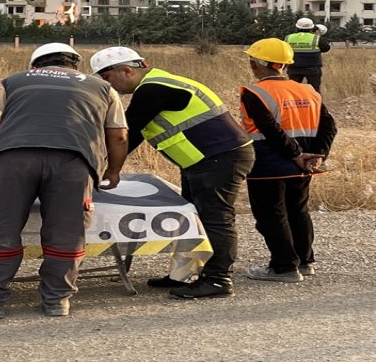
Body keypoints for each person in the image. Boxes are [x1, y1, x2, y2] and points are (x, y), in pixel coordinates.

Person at [0, 43, 129, 320]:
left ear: (35, 66)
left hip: (13, 158)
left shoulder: (13, 81)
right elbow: (118, 136)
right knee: (67, 232)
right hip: (73, 162)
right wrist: (112, 172)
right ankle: (57, 301)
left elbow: (9, 119)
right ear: (75, 65)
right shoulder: (102, 87)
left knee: (0, 228)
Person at [90, 46, 254, 299]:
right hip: (203, 161)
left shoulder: (154, 88)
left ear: (126, 70)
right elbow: (131, 137)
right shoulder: (159, 84)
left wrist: (106, 168)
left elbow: (127, 132)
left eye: (107, 77)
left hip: (220, 158)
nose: (108, 84)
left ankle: (219, 280)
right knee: (194, 217)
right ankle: (186, 274)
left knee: (215, 218)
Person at [238, 39, 337, 283]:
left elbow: (271, 131)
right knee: (298, 211)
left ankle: (284, 267)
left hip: (268, 165)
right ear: (284, 65)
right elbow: (329, 125)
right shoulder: (308, 91)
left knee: (271, 215)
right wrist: (316, 155)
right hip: (302, 165)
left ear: (255, 64)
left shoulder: (254, 93)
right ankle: (304, 262)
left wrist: (296, 155)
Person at [285, 17, 331, 92]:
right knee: (314, 90)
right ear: (312, 28)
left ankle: (294, 103)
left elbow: (285, 49)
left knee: (293, 90)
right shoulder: (316, 38)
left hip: (294, 68)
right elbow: (326, 48)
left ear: (297, 27)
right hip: (312, 68)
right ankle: (316, 103)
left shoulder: (288, 37)